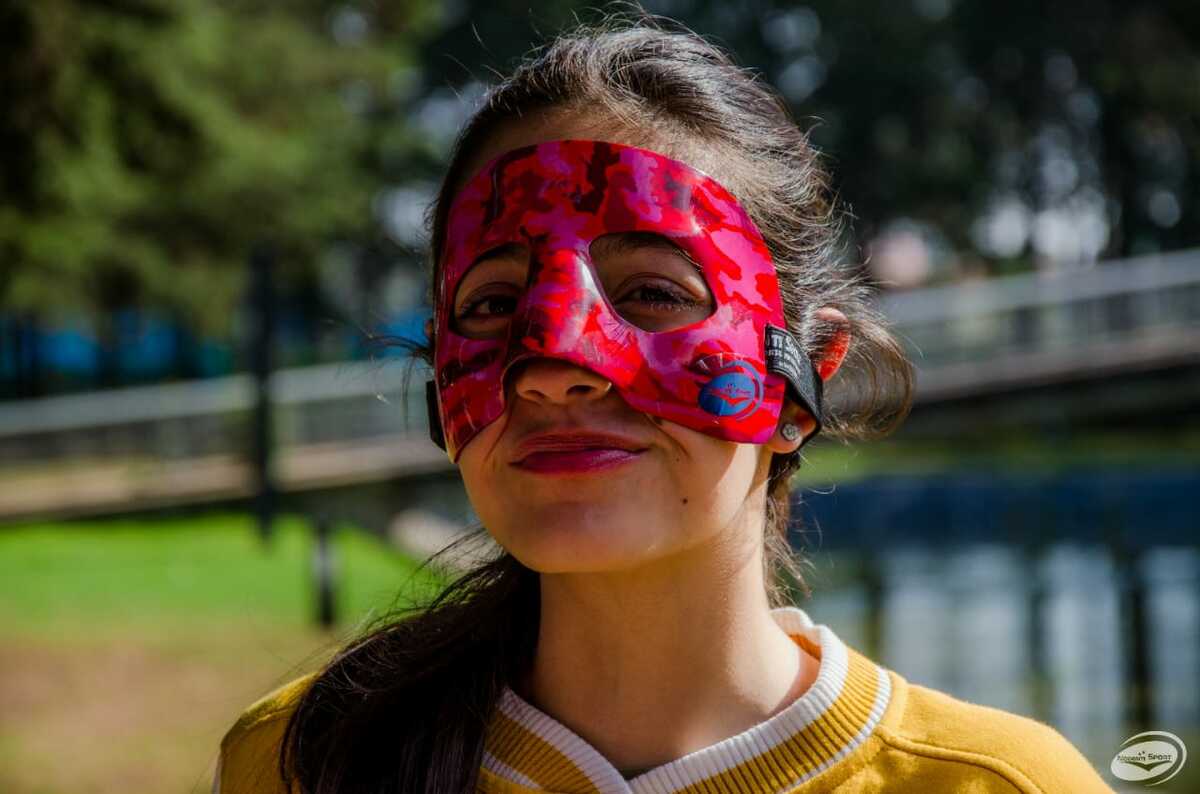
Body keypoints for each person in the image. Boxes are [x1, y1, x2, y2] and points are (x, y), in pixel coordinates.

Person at [213, 13, 1115, 794]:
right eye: (491, 304)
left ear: (802, 380)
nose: (550, 367)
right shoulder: (301, 761)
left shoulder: (1005, 783)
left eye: (652, 293)